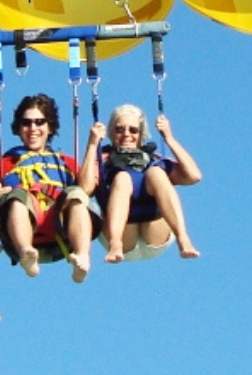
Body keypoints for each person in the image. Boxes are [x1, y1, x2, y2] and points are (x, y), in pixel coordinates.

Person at [0, 94, 95, 283]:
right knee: (18, 197)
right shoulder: (1, 167)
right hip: (22, 227)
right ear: (18, 128)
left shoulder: (66, 163)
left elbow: (87, 189)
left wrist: (92, 145)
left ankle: (82, 256)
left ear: (49, 127)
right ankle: (26, 253)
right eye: (26, 123)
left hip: (60, 226)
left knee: (76, 195)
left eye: (39, 122)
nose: (33, 128)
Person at [82, 103, 201, 262]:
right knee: (123, 178)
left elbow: (194, 176)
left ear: (141, 135)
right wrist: (92, 145)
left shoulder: (155, 160)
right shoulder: (102, 161)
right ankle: (115, 243)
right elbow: (85, 188)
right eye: (119, 129)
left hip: (156, 233)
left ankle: (183, 238)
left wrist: (169, 138)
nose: (126, 134)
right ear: (110, 133)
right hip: (124, 238)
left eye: (133, 130)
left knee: (156, 173)